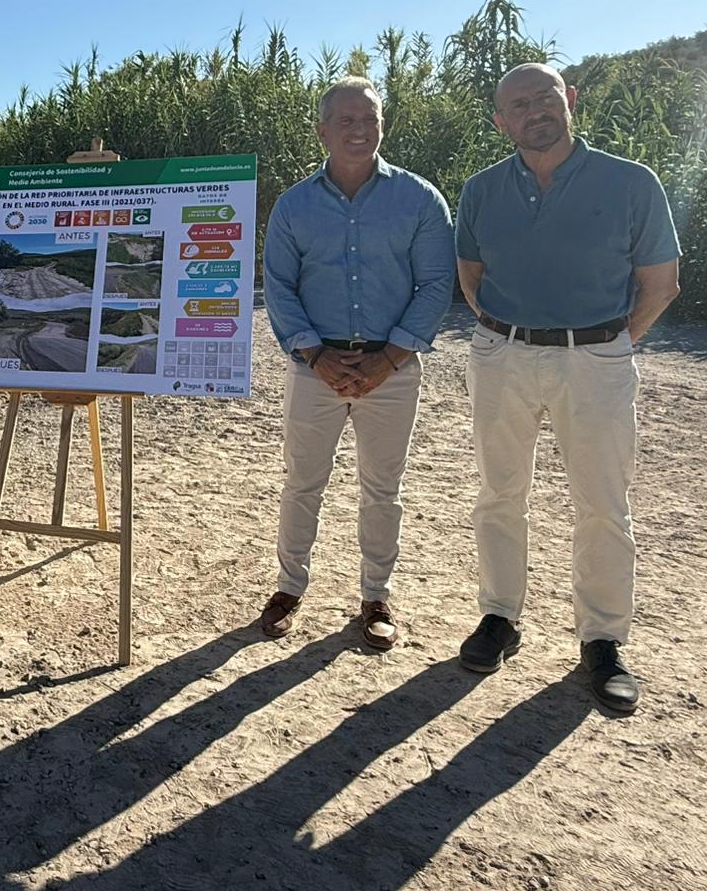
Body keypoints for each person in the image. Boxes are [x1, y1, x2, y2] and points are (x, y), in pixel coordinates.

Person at [456, 62, 680, 713]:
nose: (534, 112)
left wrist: (610, 344)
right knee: (499, 493)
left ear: (570, 99)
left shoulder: (631, 182)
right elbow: (470, 277)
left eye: (545, 97)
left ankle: (603, 643)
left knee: (604, 505)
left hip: (597, 357)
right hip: (503, 353)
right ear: (502, 122)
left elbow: (660, 284)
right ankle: (499, 618)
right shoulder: (482, 190)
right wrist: (506, 333)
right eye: (518, 106)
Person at [259, 77, 455, 649]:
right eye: (345, 119)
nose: (358, 128)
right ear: (322, 130)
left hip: (391, 372)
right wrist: (315, 356)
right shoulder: (295, 205)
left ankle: (376, 597)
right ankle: (289, 588)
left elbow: (436, 284)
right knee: (302, 485)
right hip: (313, 369)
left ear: (381, 125)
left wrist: (389, 357)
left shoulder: (420, 199)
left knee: (383, 489)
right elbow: (279, 287)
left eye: (368, 118)